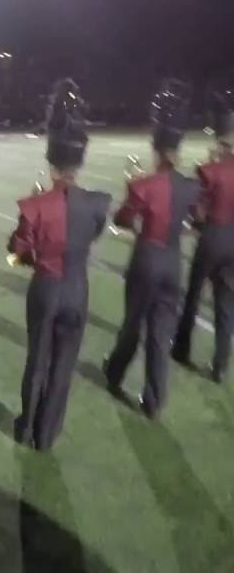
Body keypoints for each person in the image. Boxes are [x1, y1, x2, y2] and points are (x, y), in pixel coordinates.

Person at [6, 79, 110, 449]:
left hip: (45, 288)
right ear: (79, 163)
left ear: (51, 163)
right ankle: (46, 435)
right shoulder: (99, 202)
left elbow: (15, 253)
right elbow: (94, 233)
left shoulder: (34, 206)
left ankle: (26, 426)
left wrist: (28, 252)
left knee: (37, 359)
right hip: (77, 290)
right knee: (63, 366)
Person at [104, 79, 201, 418]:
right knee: (161, 332)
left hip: (146, 258)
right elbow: (198, 219)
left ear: (156, 147)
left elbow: (123, 220)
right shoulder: (191, 186)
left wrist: (132, 188)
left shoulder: (143, 184)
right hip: (173, 262)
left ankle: (115, 373)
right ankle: (155, 400)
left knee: (133, 323)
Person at [173, 85, 234, 382]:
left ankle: (182, 349)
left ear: (220, 143)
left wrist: (194, 222)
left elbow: (196, 211)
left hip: (211, 238)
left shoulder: (209, 170)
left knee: (194, 295)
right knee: (225, 303)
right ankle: (220, 365)